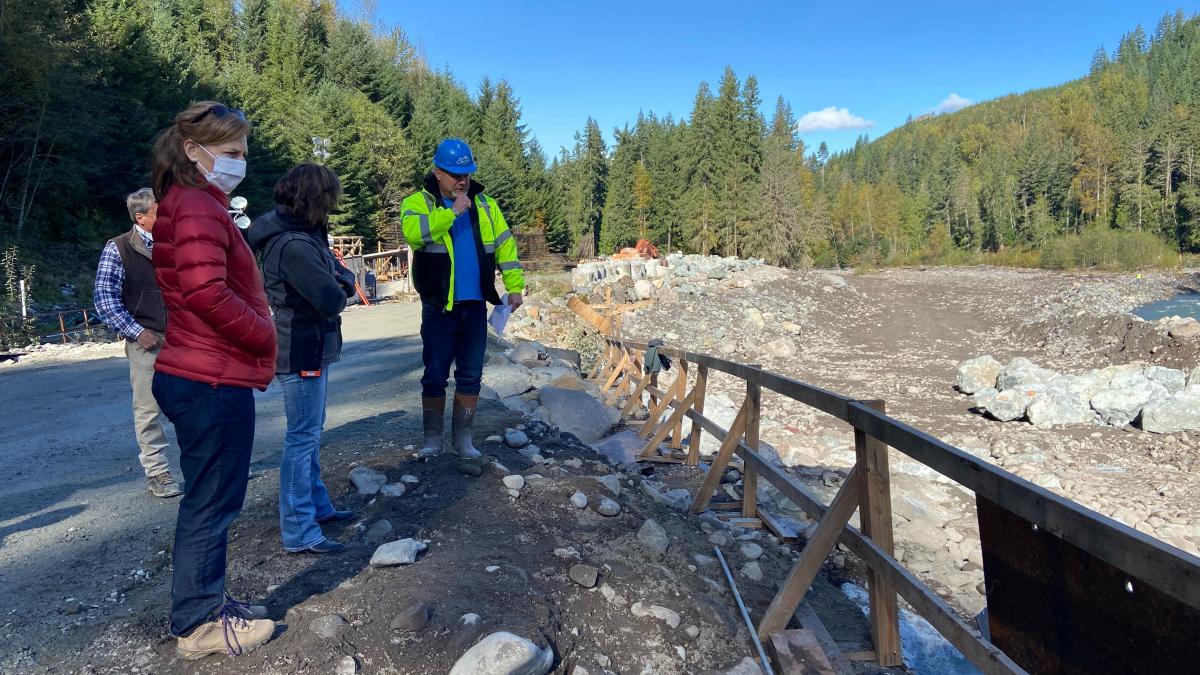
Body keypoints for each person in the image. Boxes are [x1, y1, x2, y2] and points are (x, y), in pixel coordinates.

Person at [149, 100, 276, 659]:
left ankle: (206, 603)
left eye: (242, 153)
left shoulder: (192, 202)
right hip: (209, 378)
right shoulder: (199, 205)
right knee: (212, 501)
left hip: (201, 372)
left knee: (212, 497)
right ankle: (198, 625)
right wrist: (264, 334)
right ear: (193, 152)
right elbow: (205, 292)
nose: (239, 163)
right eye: (230, 153)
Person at [247, 164, 356, 555]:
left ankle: (318, 509)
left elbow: (337, 277)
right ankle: (299, 530)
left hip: (309, 346)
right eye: (329, 199)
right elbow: (331, 296)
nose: (332, 206)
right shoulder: (293, 245)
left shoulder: (302, 237)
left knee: (309, 434)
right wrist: (342, 285)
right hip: (301, 349)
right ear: (315, 199)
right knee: (302, 438)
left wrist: (340, 281)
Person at [401, 138, 525, 459]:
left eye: (467, 174)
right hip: (439, 306)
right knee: (435, 374)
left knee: (471, 374)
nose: (463, 181)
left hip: (474, 306)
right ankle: (432, 439)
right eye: (456, 174)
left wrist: (514, 285)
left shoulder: (485, 205)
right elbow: (413, 233)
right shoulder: (418, 202)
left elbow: (505, 247)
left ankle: (463, 439)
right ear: (437, 172)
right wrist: (451, 213)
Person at [93, 188, 182, 498]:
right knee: (148, 410)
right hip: (148, 341)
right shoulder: (118, 248)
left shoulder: (175, 243)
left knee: (196, 403)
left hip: (184, 338)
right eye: (161, 212)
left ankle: (206, 466)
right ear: (140, 217)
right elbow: (104, 300)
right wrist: (135, 331)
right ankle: (157, 472)